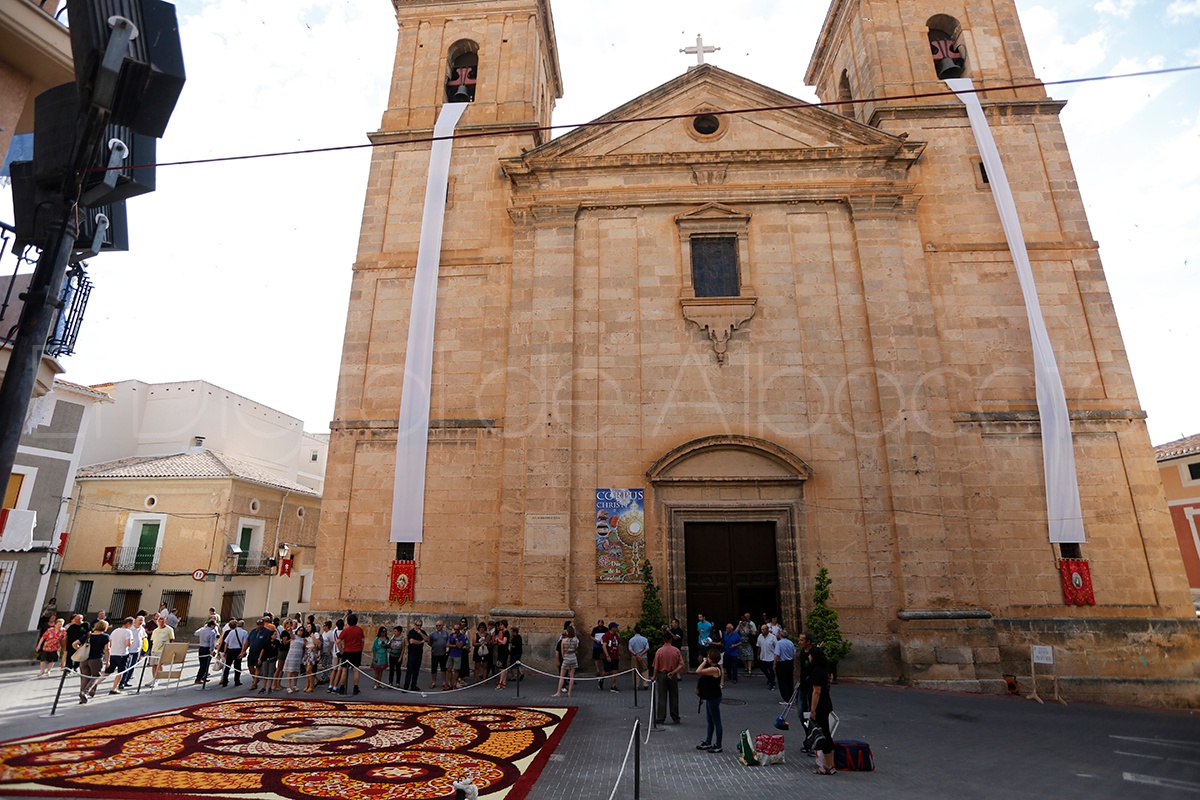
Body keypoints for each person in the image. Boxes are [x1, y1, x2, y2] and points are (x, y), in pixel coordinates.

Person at [799, 632, 836, 775]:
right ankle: (831, 765)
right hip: (828, 702)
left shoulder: (816, 672)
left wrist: (812, 710)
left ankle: (826, 767)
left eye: (811, 655)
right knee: (827, 733)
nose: (808, 657)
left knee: (823, 735)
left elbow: (816, 692)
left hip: (820, 704)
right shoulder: (826, 671)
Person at [651, 630, 684, 725]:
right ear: (671, 640)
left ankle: (661, 717)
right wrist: (674, 672)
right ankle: (675, 717)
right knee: (674, 696)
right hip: (672, 675)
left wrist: (654, 676)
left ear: (664, 639)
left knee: (662, 697)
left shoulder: (659, 651)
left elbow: (656, 666)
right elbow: (681, 664)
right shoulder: (676, 650)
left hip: (662, 674)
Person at [695, 646, 724, 753]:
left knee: (716, 721)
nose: (706, 658)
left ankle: (718, 744)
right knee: (710, 721)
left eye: (708, 656)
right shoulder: (713, 667)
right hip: (710, 697)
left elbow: (698, 671)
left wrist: (704, 662)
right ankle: (708, 741)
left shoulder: (714, 669)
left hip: (714, 698)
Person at [77, 620, 110, 703]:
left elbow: (74, 643)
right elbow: (107, 649)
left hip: (84, 659)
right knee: (96, 676)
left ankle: (81, 697)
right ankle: (85, 692)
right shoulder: (105, 636)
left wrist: (81, 650)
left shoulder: (88, 635)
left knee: (85, 676)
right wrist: (108, 660)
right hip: (96, 659)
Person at [339, 613, 366, 695]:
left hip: (347, 651)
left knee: (344, 671)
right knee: (356, 670)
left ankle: (342, 687)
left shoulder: (345, 630)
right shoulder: (360, 630)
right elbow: (363, 641)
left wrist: (341, 650)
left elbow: (338, 641)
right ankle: (355, 688)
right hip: (357, 651)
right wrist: (361, 649)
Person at [148, 615, 175, 686]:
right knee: (154, 665)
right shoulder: (155, 630)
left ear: (165, 620)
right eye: (159, 620)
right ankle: (154, 678)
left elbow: (171, 639)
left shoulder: (169, 629)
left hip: (162, 650)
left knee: (159, 665)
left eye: (162, 619)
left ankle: (157, 679)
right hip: (154, 650)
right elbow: (153, 640)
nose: (161, 621)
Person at [245, 618, 272, 690]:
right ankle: (256, 678)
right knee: (250, 666)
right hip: (251, 651)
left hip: (260, 652)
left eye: (261, 624)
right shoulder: (253, 631)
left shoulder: (267, 632)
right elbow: (248, 641)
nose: (259, 626)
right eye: (258, 625)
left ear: (263, 624)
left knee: (258, 667)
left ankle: (254, 683)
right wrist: (243, 650)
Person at [554, 625, 579, 697]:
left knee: (562, 676)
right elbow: (576, 650)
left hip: (566, 658)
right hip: (573, 658)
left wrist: (564, 657)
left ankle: (559, 692)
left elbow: (562, 651)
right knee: (571, 677)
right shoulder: (575, 640)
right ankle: (569, 693)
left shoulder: (563, 641)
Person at [220, 620, 247, 687]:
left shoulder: (231, 632)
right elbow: (244, 643)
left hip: (230, 650)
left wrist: (225, 651)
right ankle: (237, 681)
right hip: (238, 650)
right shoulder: (244, 632)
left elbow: (226, 643)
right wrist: (243, 651)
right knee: (237, 666)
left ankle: (225, 681)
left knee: (227, 666)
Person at [122, 615, 146, 689]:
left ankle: (127, 681)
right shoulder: (131, 629)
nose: (141, 622)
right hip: (129, 650)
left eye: (142, 620)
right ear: (135, 620)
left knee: (133, 666)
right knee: (127, 666)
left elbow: (144, 637)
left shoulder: (142, 629)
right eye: (139, 620)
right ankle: (122, 682)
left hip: (137, 650)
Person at [774, 628, 796, 704]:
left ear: (780, 635)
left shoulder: (779, 643)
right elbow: (794, 653)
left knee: (782, 681)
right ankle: (791, 698)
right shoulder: (791, 643)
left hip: (782, 663)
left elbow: (777, 654)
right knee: (789, 680)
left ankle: (786, 699)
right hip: (789, 662)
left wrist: (774, 664)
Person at [194, 619, 218, 685]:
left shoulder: (202, 630)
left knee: (202, 664)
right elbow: (212, 643)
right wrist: (212, 650)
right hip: (207, 649)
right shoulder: (212, 632)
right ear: (212, 625)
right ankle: (198, 678)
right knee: (205, 665)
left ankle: (202, 677)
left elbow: (196, 633)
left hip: (201, 647)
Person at [428, 619, 450, 690]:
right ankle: (433, 682)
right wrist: (434, 646)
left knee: (443, 669)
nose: (438, 627)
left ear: (442, 626)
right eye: (436, 626)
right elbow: (429, 642)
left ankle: (443, 682)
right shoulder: (432, 634)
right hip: (435, 653)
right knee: (434, 669)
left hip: (443, 653)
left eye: (439, 625)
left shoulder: (446, 633)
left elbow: (447, 641)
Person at [600, 621, 621, 692]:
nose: (616, 629)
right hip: (608, 655)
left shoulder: (616, 636)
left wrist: (619, 654)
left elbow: (618, 645)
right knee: (607, 671)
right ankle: (601, 679)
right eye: (615, 627)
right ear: (612, 628)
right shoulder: (606, 636)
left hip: (615, 656)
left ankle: (613, 685)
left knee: (615, 671)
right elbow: (604, 646)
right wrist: (607, 655)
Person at [258, 629, 280, 694]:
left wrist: (277, 657)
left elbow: (278, 649)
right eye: (274, 634)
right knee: (265, 673)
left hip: (272, 659)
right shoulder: (266, 642)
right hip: (265, 658)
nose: (276, 636)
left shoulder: (277, 642)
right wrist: (260, 658)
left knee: (271, 673)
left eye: (276, 634)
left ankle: (269, 687)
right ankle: (263, 687)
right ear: (271, 635)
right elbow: (263, 650)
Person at [446, 622, 467, 689]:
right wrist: (454, 645)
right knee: (449, 669)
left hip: (457, 655)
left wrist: (456, 639)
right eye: (455, 629)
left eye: (457, 629)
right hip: (451, 654)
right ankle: (449, 683)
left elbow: (460, 646)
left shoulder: (462, 636)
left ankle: (455, 683)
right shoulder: (451, 635)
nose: (456, 631)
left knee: (456, 670)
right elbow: (447, 644)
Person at [283, 627, 304, 693]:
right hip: (292, 655)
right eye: (299, 630)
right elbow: (291, 634)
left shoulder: (303, 639)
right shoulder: (294, 636)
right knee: (290, 671)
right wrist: (290, 628)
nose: (300, 631)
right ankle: (288, 687)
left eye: (302, 630)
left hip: (298, 656)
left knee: (296, 671)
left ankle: (295, 685)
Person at [757, 625, 778, 691]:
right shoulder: (760, 636)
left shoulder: (772, 637)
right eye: (761, 629)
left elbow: (776, 646)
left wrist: (776, 655)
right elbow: (759, 646)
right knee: (763, 668)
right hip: (763, 656)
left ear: (767, 630)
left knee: (772, 671)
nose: (762, 631)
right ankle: (769, 677)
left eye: (763, 629)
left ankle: (772, 683)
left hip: (771, 656)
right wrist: (758, 655)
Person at [303, 624, 322, 692]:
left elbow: (317, 643)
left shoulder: (315, 634)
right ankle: (307, 685)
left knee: (309, 670)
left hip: (312, 652)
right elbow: (304, 645)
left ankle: (311, 685)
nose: (307, 628)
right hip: (306, 651)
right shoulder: (306, 635)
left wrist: (312, 637)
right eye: (307, 626)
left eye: (309, 626)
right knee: (306, 671)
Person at [493, 620, 510, 690]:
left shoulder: (506, 633)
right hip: (501, 651)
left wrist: (498, 640)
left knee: (502, 667)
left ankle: (500, 682)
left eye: (501, 625)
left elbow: (504, 642)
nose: (500, 626)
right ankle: (503, 682)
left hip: (503, 652)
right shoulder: (502, 632)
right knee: (503, 667)